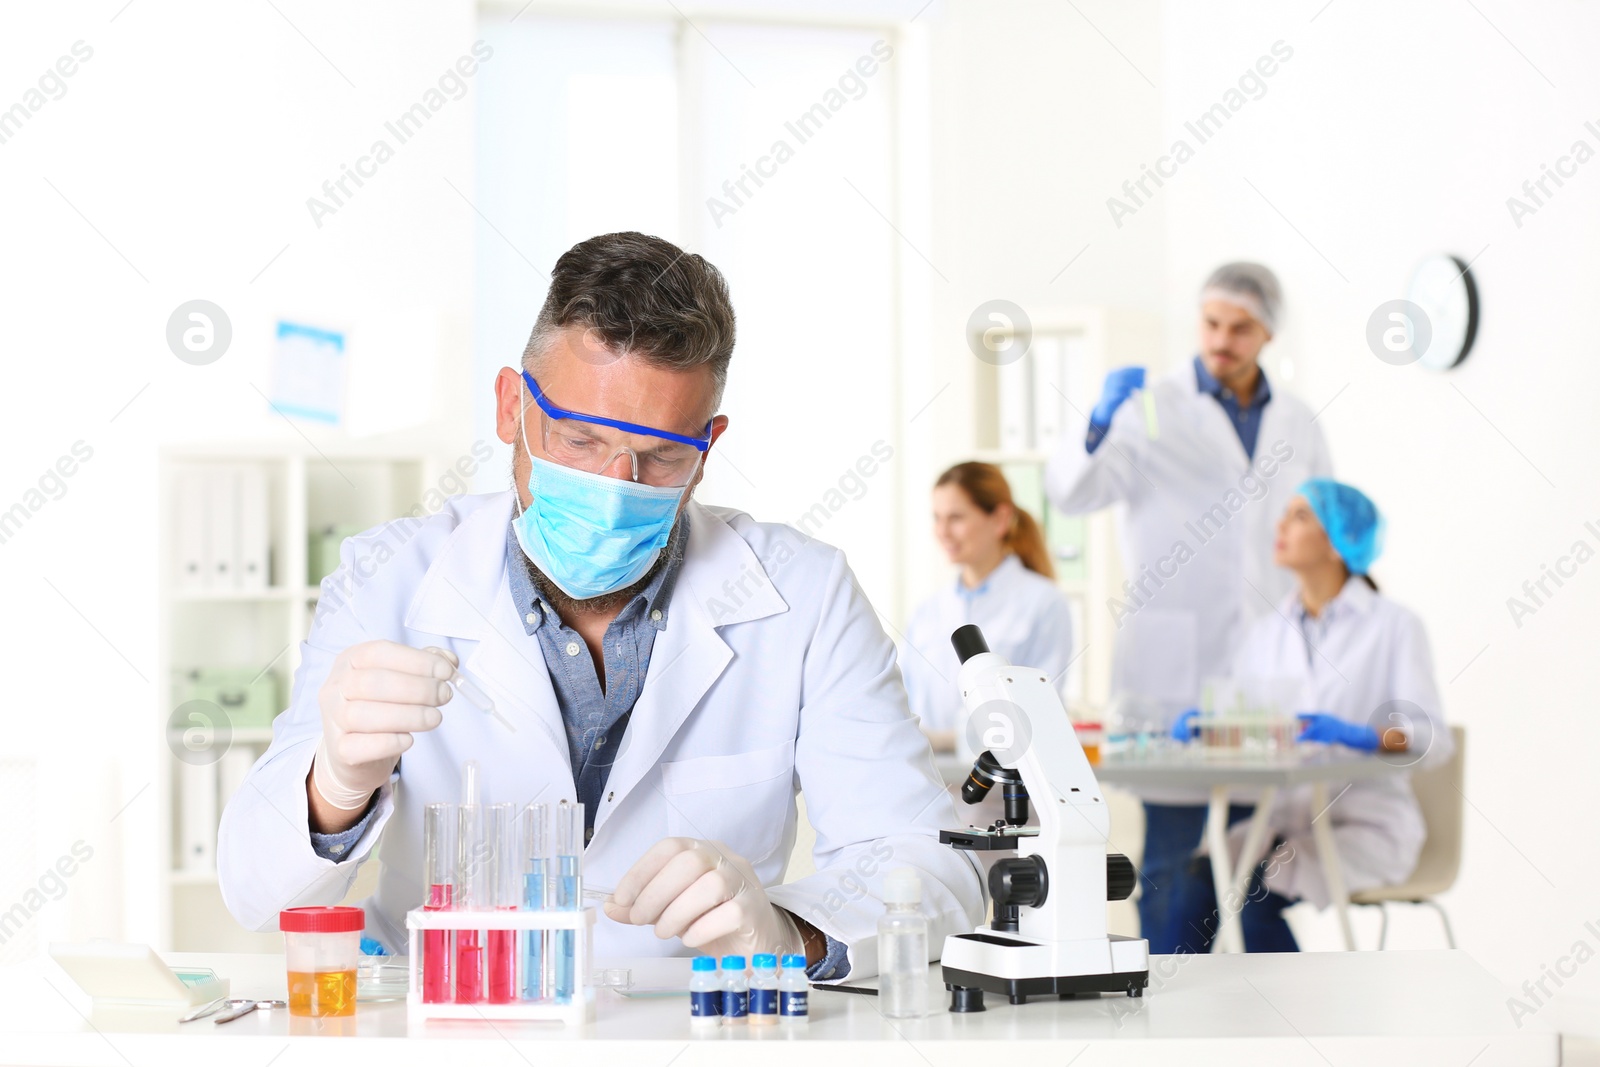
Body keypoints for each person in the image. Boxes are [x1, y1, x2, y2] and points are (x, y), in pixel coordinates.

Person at [217, 232, 983, 981]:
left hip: (691, 1029)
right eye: (579, 439)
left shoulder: (803, 595)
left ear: (708, 446)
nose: (616, 489)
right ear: (511, 404)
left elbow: (927, 864)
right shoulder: (388, 577)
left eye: (660, 456)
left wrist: (789, 931)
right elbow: (255, 891)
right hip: (454, 1027)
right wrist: (334, 788)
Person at [1044, 262, 1332, 951]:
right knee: (1174, 857)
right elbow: (1074, 494)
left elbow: (1324, 524)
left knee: (1257, 861)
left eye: (1240, 327)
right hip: (1169, 665)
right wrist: (1096, 422)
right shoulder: (1153, 407)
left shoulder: (1296, 420)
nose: (1222, 339)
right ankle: (1170, 1013)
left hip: (1265, 663)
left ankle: (1260, 1020)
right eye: (1211, 323)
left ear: (1266, 332)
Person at [1162, 480, 1452, 952]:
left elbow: (1434, 738)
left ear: (1339, 540)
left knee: (1253, 904)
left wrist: (1365, 736)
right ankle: (1175, 1022)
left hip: (1363, 825)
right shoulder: (1268, 631)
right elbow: (1247, 719)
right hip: (1283, 821)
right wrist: (1208, 724)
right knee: (1192, 889)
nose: (1281, 525)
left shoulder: (1394, 625)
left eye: (1300, 516)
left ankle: (1298, 1024)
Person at [900, 462, 1074, 755]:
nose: (942, 531)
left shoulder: (1043, 602)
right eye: (937, 518)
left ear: (1000, 519)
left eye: (955, 518)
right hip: (933, 786)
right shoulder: (928, 611)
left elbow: (1041, 712)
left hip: (1004, 792)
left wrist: (948, 740)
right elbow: (902, 701)